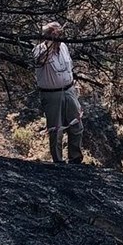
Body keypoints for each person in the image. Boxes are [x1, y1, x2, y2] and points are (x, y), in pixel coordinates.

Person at [33, 21, 83, 164]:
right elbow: (40, 60)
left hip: (69, 90)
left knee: (77, 125)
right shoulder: (39, 50)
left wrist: (74, 86)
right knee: (56, 129)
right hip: (51, 94)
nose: (60, 36)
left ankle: (75, 158)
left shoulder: (64, 47)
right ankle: (58, 161)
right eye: (55, 33)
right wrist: (51, 43)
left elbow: (69, 67)